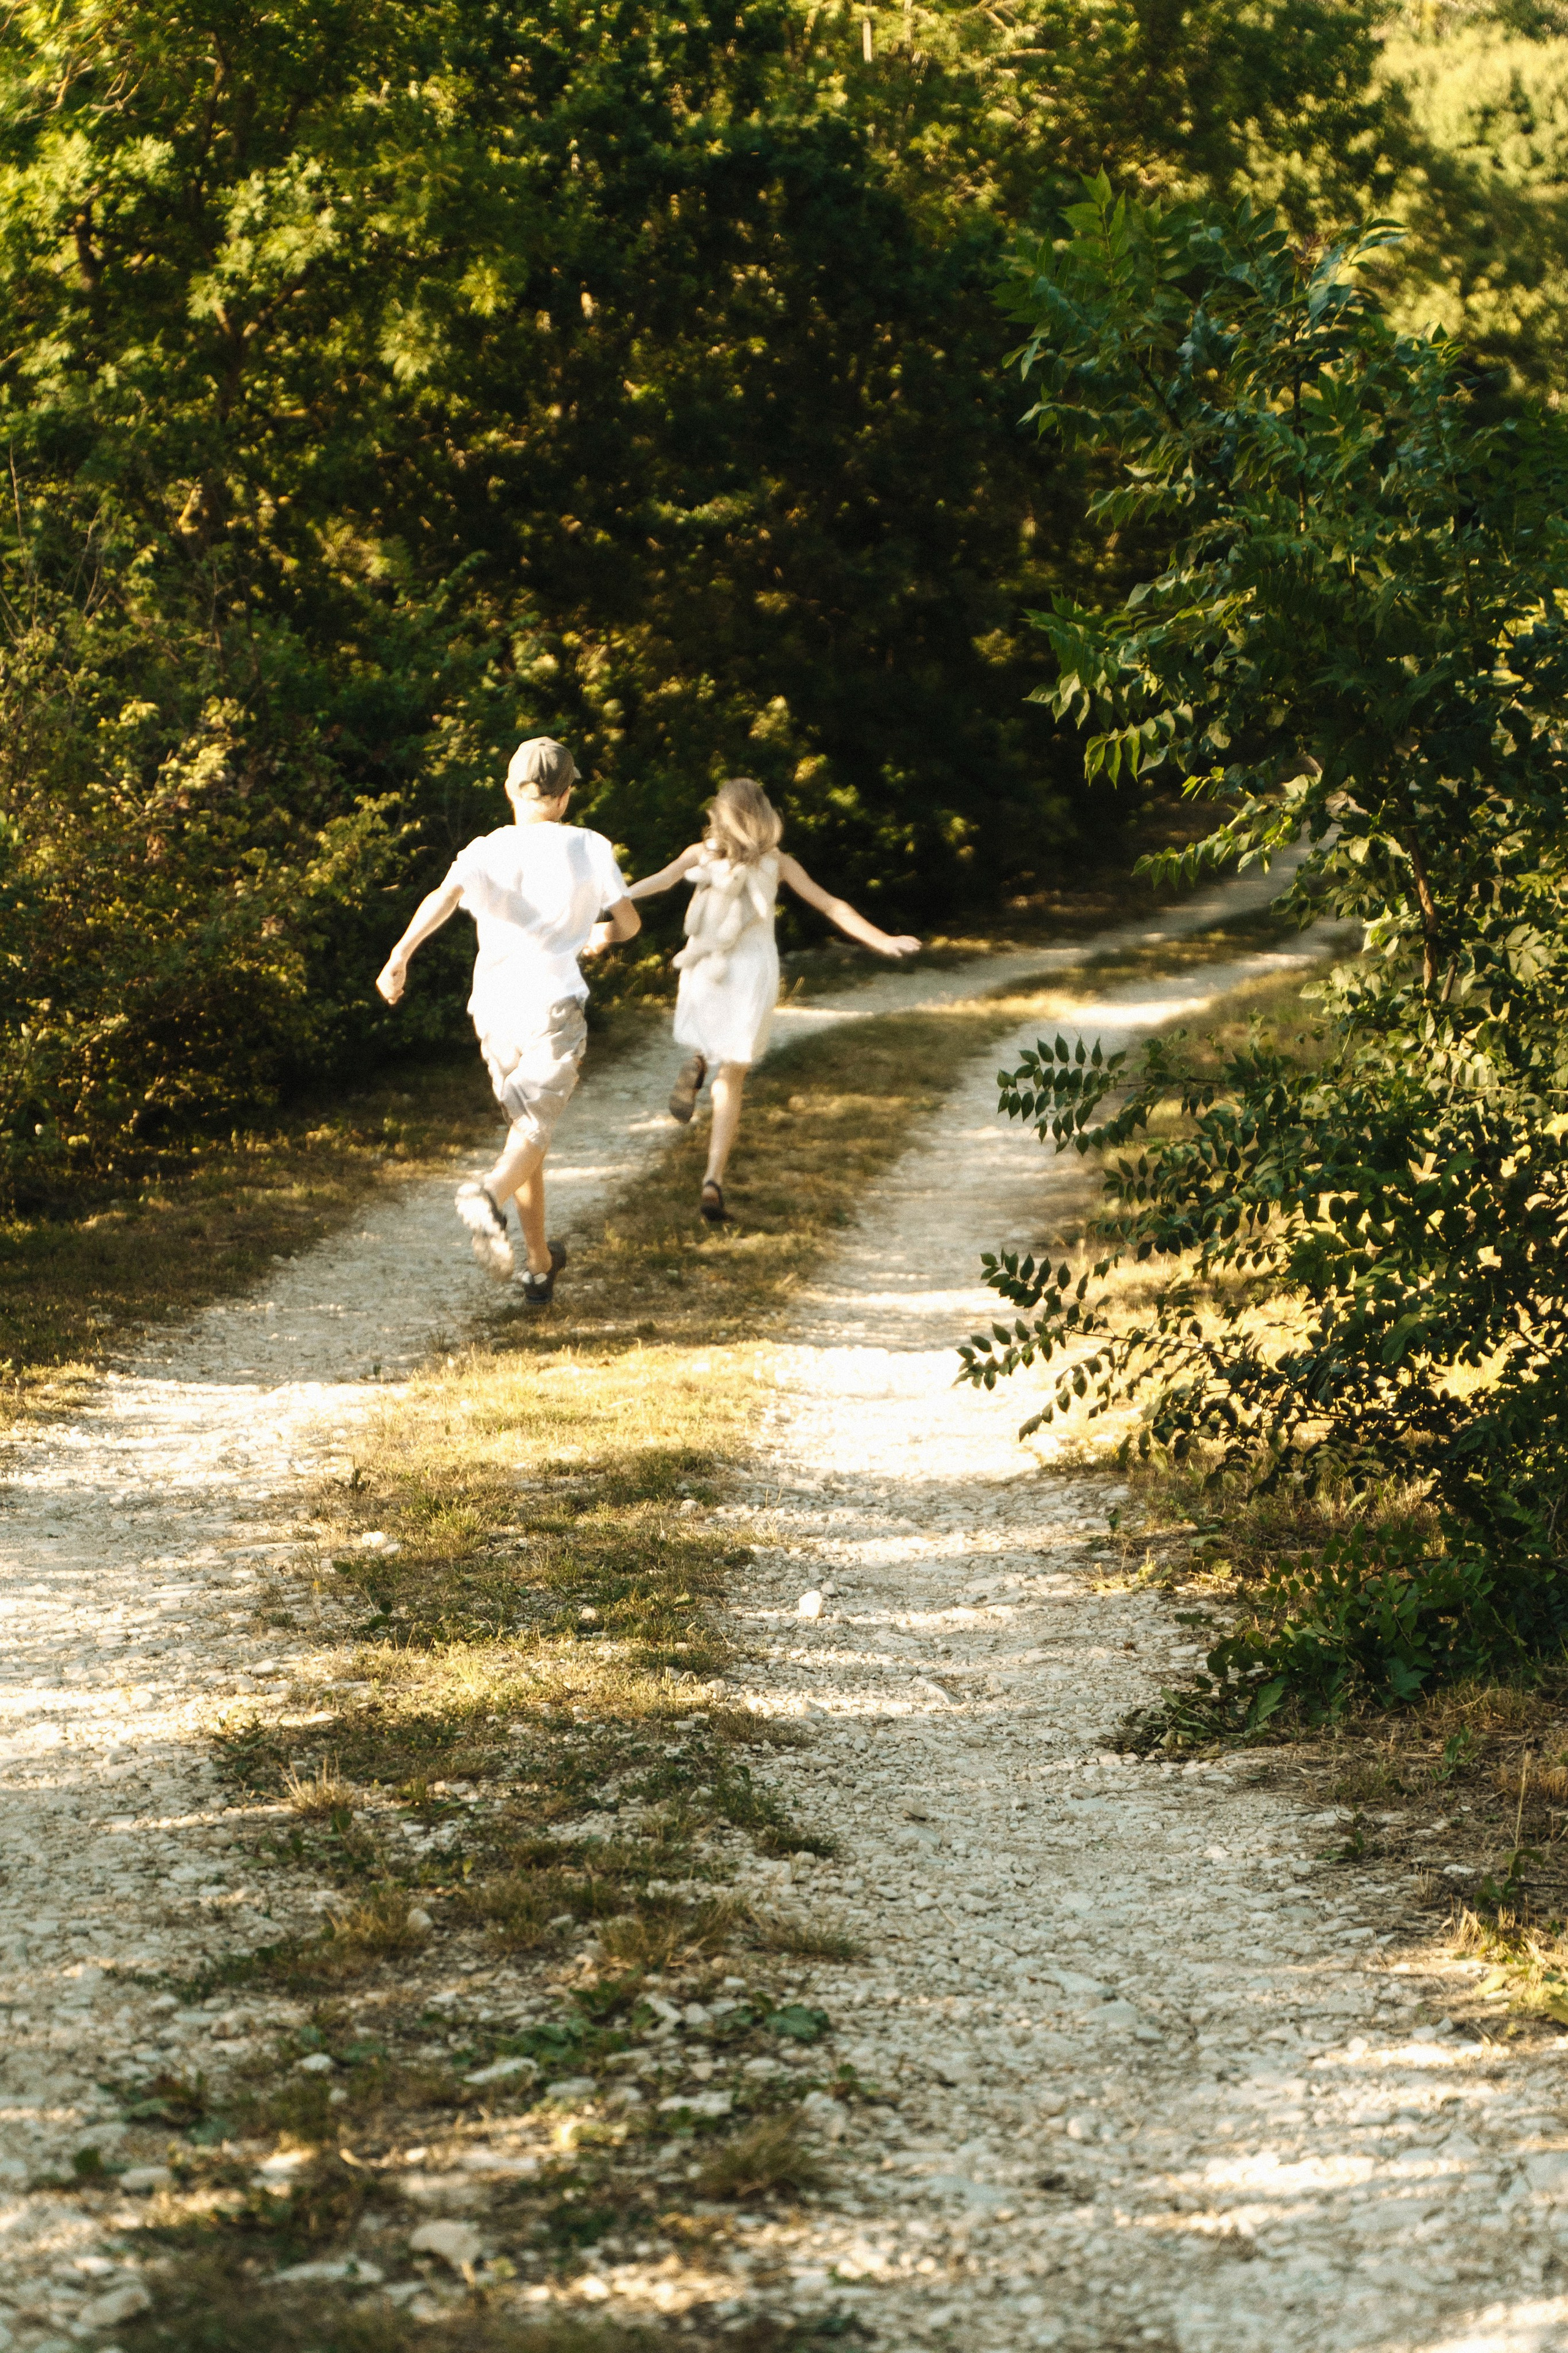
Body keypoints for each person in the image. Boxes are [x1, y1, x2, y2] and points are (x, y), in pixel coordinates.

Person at [375, 737, 640, 1305]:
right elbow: (629, 921)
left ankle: (540, 1265)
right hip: (552, 1006)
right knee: (532, 1131)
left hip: (493, 1010)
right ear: (566, 795)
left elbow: (441, 899)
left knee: (527, 1132)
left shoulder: (484, 848)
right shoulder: (590, 846)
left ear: (508, 789)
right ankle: (487, 1194)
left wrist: (400, 955)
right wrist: (602, 934)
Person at [627, 777, 920, 1222]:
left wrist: (614, 896)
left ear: (719, 817)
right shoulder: (778, 862)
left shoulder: (698, 855)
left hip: (707, 963)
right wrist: (882, 939)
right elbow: (831, 905)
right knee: (735, 1077)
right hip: (750, 971)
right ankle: (713, 1178)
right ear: (764, 816)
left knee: (709, 1039)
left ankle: (698, 1060)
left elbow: (662, 881)